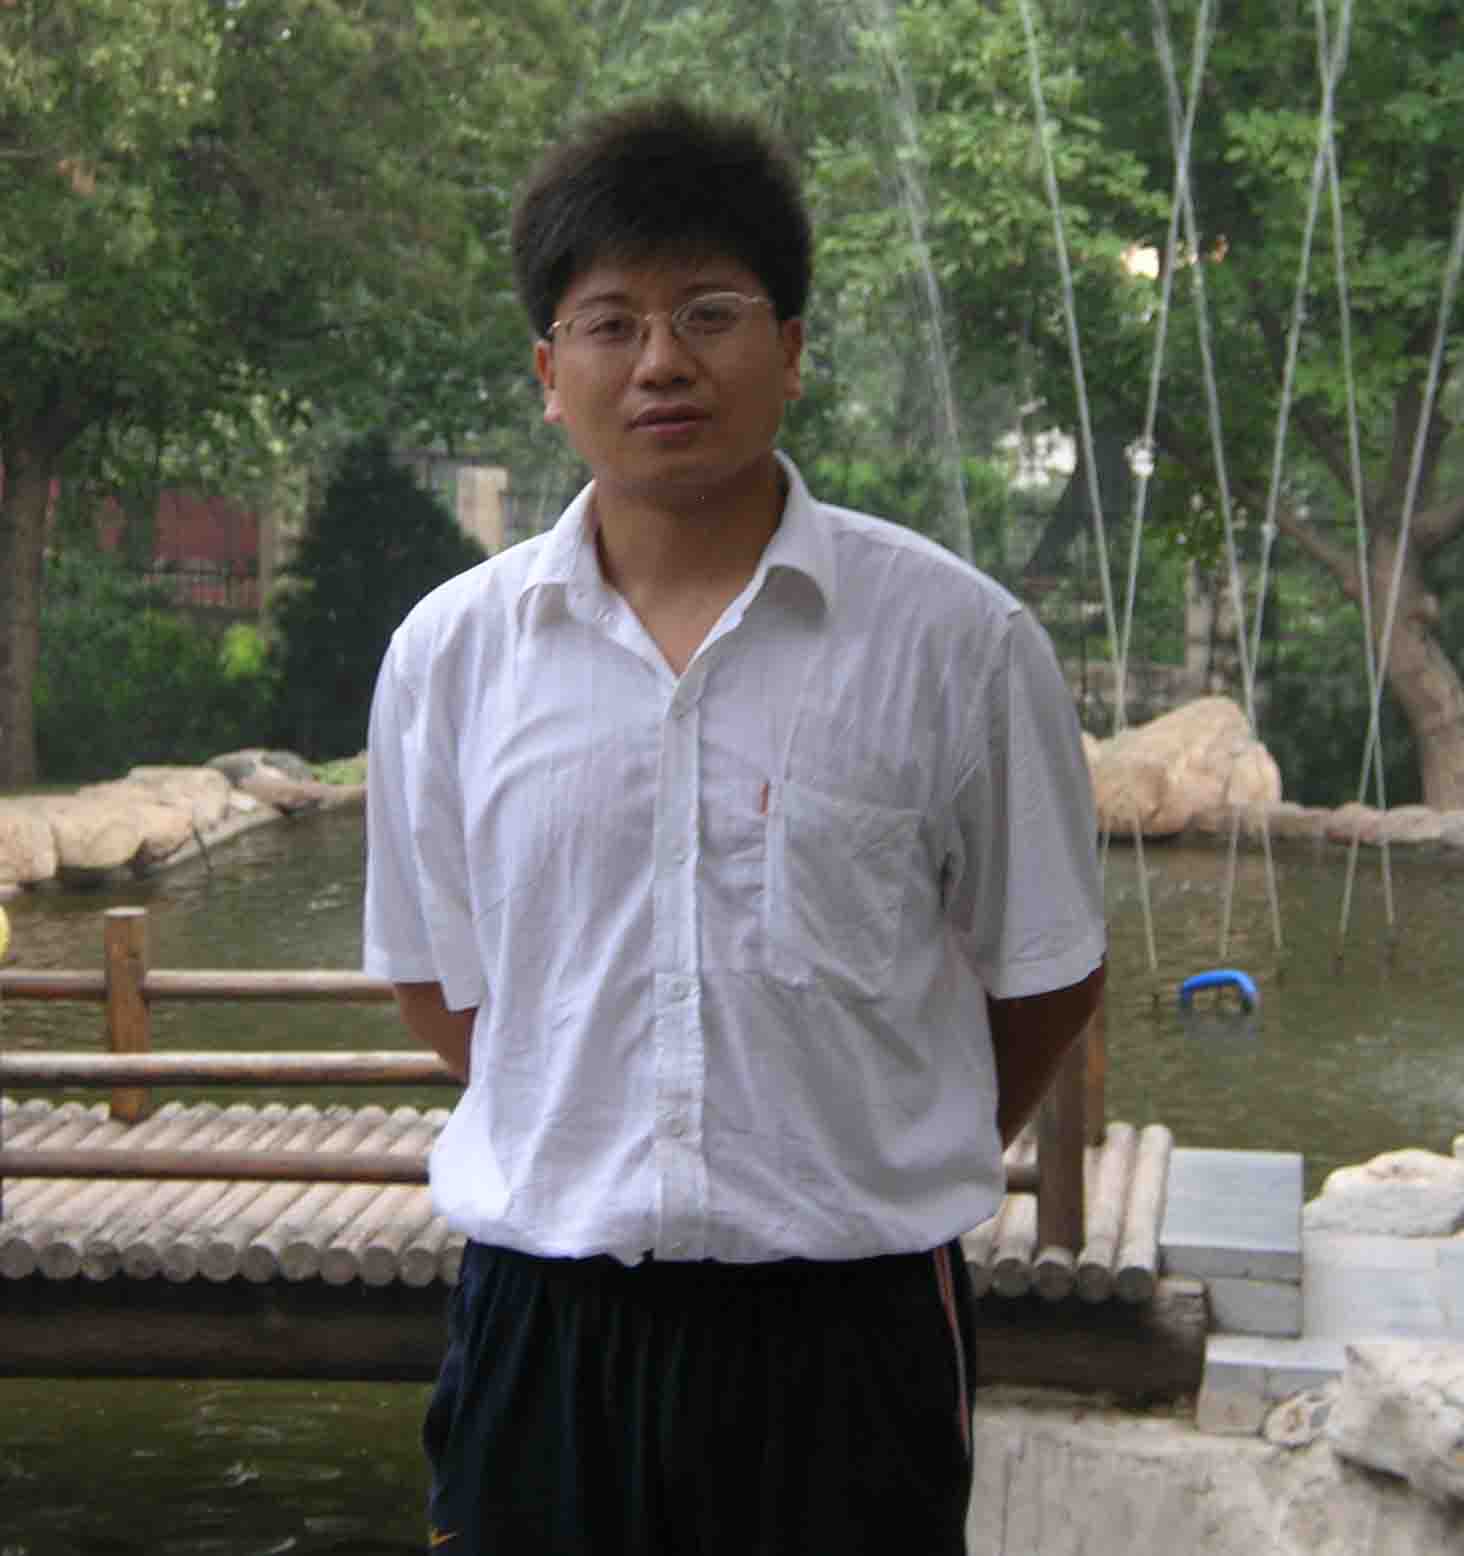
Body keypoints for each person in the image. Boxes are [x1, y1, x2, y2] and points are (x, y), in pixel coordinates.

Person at [364, 97, 1105, 1556]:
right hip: (545, 1323)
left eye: (710, 313)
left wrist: (868, 1152)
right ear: (549, 371)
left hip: (849, 1337)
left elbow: (1047, 975)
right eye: (610, 323)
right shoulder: (450, 656)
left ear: (793, 348)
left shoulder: (956, 644)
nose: (662, 361)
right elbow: (442, 992)